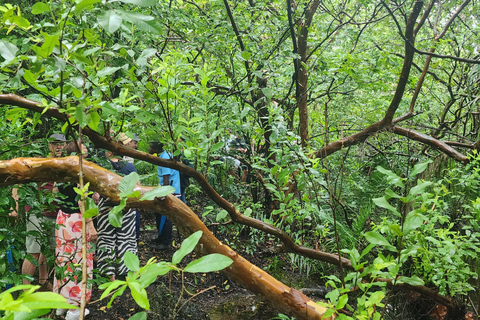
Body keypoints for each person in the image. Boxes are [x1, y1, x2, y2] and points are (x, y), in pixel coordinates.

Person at [16, 133, 66, 288]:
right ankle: (25, 290)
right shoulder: (39, 162)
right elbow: (18, 180)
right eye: (55, 143)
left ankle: (43, 282)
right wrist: (15, 206)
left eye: (61, 144)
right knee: (33, 251)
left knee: (48, 250)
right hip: (36, 211)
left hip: (54, 212)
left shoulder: (64, 163)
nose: (58, 146)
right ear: (49, 145)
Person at [54, 141, 96, 320]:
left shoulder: (63, 171)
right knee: (79, 260)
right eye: (84, 148)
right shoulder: (81, 173)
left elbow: (55, 191)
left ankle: (61, 304)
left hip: (63, 218)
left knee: (64, 259)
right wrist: (91, 225)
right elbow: (82, 201)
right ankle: (74, 307)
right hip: (78, 220)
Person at [95, 138, 138, 279]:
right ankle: (128, 271)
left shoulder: (101, 167)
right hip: (126, 206)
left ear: (108, 151)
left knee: (106, 239)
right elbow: (137, 188)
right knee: (127, 239)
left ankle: (108, 274)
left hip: (105, 207)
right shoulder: (129, 167)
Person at [148, 141, 182, 250]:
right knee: (159, 214)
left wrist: (165, 192)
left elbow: (166, 177)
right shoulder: (163, 155)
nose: (148, 148)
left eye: (150, 146)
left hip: (171, 191)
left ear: (156, 148)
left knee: (167, 217)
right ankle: (161, 237)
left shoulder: (165, 157)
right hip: (166, 189)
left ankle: (166, 242)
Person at [117, 132, 141, 239]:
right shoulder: (126, 163)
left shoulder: (130, 157)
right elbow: (137, 184)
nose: (136, 146)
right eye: (134, 142)